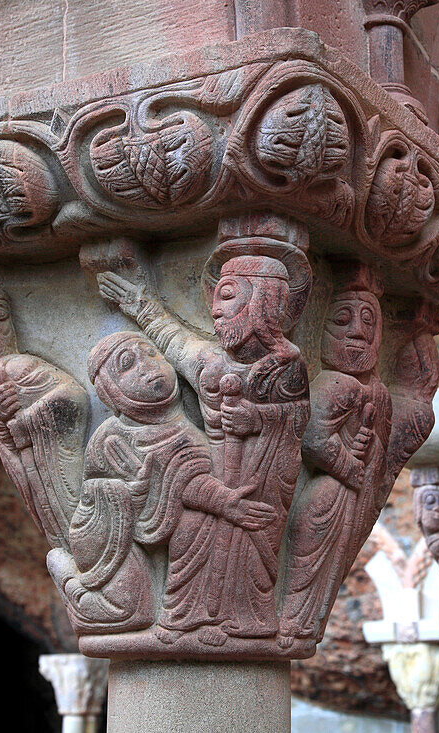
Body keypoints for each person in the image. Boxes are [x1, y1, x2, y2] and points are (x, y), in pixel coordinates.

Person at [98, 254, 309, 643]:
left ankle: (244, 620)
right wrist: (140, 305)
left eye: (227, 296)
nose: (214, 309)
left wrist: (258, 420)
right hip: (212, 477)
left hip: (260, 482)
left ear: (260, 301)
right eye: (213, 298)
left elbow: (299, 421)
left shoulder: (287, 367)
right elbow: (172, 340)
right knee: (192, 528)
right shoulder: (211, 363)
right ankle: (188, 618)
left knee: (251, 541)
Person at [279, 263, 391, 647]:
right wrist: (348, 466)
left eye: (369, 323)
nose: (358, 331)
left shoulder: (374, 391)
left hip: (348, 496)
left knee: (322, 577)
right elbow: (311, 439)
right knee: (305, 576)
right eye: (342, 320)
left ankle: (297, 623)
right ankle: (291, 621)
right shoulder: (333, 383)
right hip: (326, 498)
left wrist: (364, 450)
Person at [0, 283, 88, 550]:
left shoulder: (16, 366)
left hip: (62, 472)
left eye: (0, 317)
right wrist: (2, 426)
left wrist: (26, 417)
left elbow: (75, 398)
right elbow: (7, 446)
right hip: (33, 476)